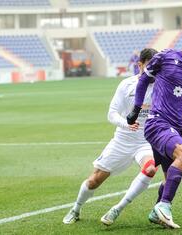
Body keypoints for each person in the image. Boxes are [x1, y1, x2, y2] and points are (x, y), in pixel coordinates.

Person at [126, 29, 182, 229]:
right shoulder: (166, 56)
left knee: (169, 179)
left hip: (176, 127)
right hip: (158, 123)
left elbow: (180, 98)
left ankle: (156, 211)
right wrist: (137, 107)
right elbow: (143, 80)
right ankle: (164, 206)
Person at [63, 48, 159, 225]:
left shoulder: (162, 86)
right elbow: (112, 114)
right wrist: (126, 123)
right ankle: (76, 208)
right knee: (94, 180)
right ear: (140, 65)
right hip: (122, 141)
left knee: (151, 169)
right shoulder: (127, 84)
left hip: (145, 142)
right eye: (149, 65)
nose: (154, 69)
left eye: (156, 65)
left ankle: (117, 208)